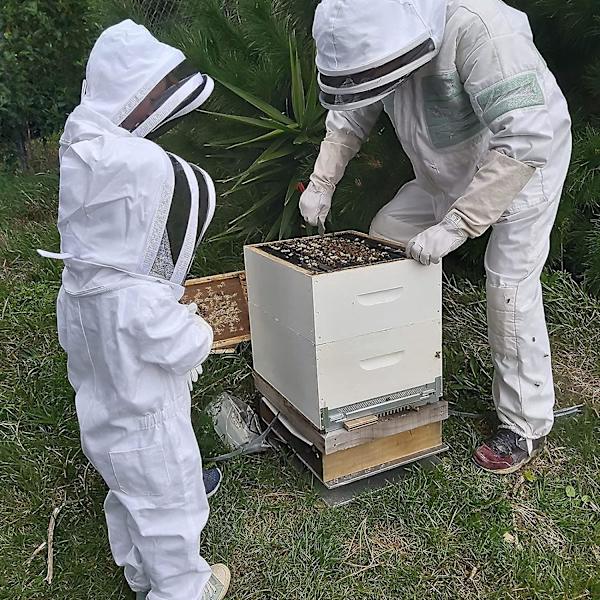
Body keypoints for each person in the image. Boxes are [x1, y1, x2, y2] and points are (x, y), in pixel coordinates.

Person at [300, 0, 572, 474]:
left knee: (508, 287)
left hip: (523, 168)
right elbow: (352, 113)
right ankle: (398, 369)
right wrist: (322, 181)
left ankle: (524, 422)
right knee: (387, 233)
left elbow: (527, 139)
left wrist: (456, 226)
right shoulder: (378, 35)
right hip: (445, 171)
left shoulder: (482, 29)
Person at [38, 20, 230, 600]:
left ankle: (138, 572)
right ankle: (183, 588)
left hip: (106, 426)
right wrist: (199, 326)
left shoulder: (78, 289)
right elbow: (182, 342)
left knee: (126, 494)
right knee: (171, 505)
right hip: (151, 426)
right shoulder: (138, 301)